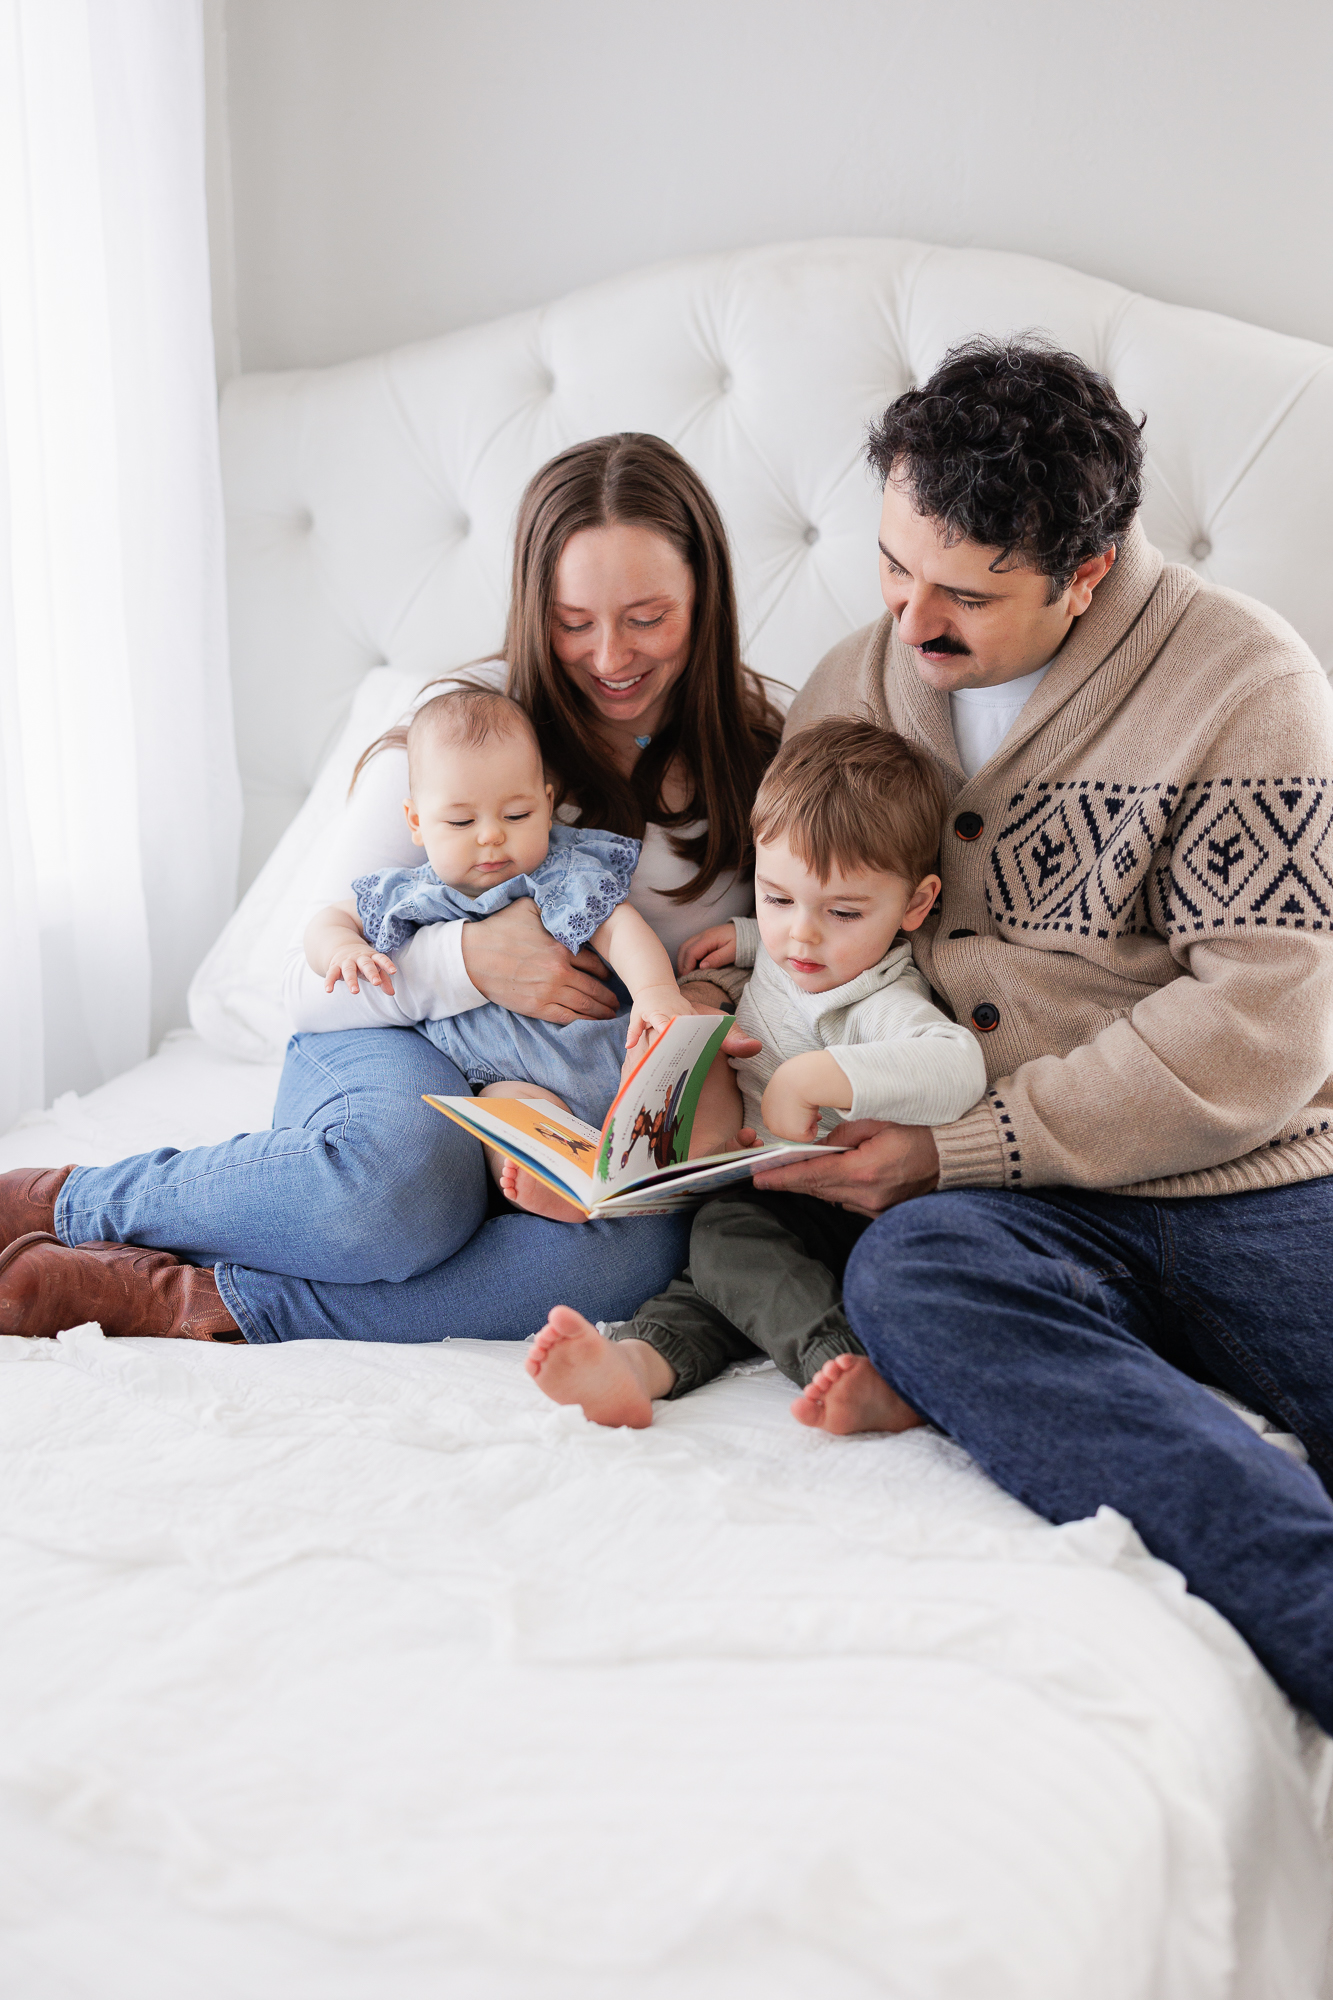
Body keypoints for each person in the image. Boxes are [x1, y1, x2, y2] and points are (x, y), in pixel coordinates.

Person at [747, 337, 1333, 1731]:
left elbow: (1262, 1026)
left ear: (1086, 574)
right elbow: (798, 948)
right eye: (892, 564)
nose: (909, 616)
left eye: (963, 592)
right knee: (909, 1278)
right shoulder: (851, 686)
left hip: (1255, 1186)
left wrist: (968, 1142)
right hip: (1005, 1221)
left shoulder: (1243, 684)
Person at [0, 433, 779, 1343]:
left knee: (627, 1259)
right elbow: (301, 988)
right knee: (404, 1187)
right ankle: (69, 1204)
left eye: (647, 617)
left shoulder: (767, 756)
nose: (610, 656)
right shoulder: (460, 734)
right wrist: (466, 961)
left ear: (705, 598)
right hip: (397, 1048)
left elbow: (808, 950)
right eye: (573, 622)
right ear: (535, 610)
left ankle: (192, 1301)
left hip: (578, 1100)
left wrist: (708, 990)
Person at [525, 716, 986, 1426]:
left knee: (725, 1240)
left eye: (841, 911)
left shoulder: (880, 998)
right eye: (775, 899)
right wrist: (743, 937)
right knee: (719, 1276)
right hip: (764, 1194)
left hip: (844, 1206)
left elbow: (957, 1066)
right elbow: (783, 946)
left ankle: (851, 1363)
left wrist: (810, 1078)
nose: (798, 934)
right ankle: (634, 1368)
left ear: (914, 906)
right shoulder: (801, 947)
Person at [309, 684, 742, 1221]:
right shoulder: (406, 893)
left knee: (701, 1057)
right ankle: (566, 1188)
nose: (490, 837)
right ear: (417, 821)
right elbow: (329, 919)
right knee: (504, 1116)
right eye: (461, 822)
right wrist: (344, 947)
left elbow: (619, 928)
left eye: (515, 815)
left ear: (547, 803)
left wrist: (657, 995)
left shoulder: (560, 872)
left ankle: (704, 1161)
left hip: (605, 1043)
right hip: (515, 1079)